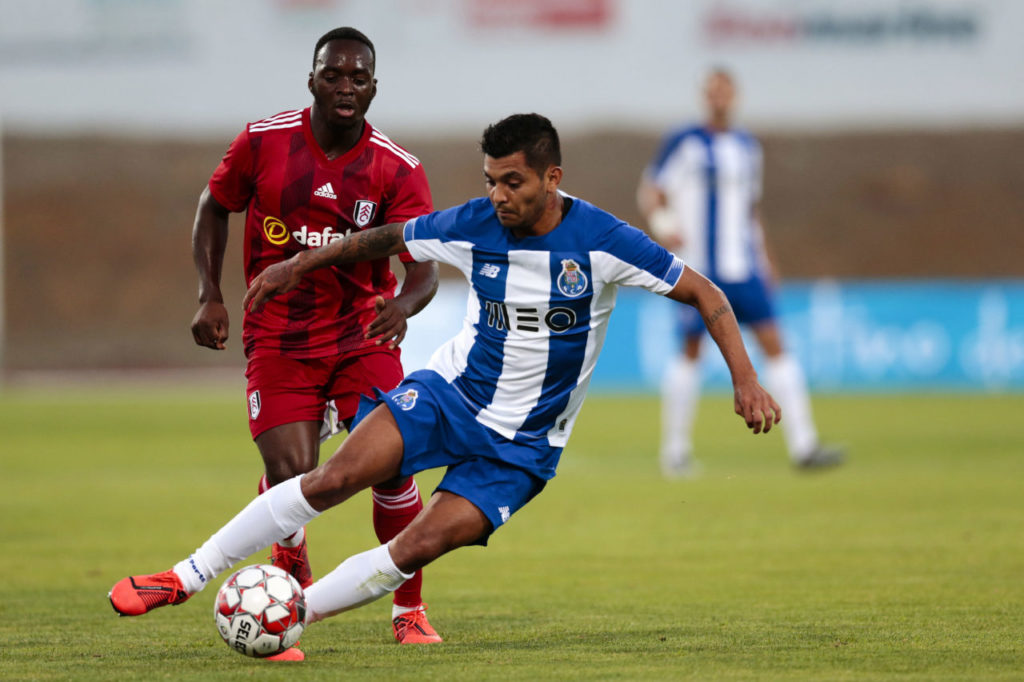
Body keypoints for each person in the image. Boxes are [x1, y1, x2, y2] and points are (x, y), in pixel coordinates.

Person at [109, 113, 781, 653]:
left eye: (513, 182)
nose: (499, 196)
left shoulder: (602, 241)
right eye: (491, 180)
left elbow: (706, 292)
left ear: (553, 177)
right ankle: (186, 575)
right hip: (449, 397)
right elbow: (382, 239)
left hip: (521, 449)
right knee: (331, 479)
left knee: (414, 547)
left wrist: (745, 379)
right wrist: (298, 266)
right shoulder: (474, 224)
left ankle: (288, 617)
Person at [185, 27, 442, 651]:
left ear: (374, 86)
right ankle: (291, 557)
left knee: (395, 464)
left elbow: (426, 267)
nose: (346, 87)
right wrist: (209, 294)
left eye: (359, 77)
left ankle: (408, 608)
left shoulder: (397, 168)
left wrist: (404, 306)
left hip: (362, 335)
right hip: (279, 334)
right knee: (293, 472)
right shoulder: (263, 140)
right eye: (334, 74)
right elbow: (213, 205)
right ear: (312, 78)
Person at [637, 67, 844, 477]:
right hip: (699, 271)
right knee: (690, 352)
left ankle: (805, 446)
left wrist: (766, 260)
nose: (719, 98)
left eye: (725, 91)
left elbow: (751, 209)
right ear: (704, 96)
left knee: (776, 345)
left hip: (744, 267)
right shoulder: (684, 141)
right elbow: (650, 189)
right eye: (712, 91)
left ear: (735, 96)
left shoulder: (748, 147)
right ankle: (675, 453)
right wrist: (663, 225)